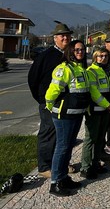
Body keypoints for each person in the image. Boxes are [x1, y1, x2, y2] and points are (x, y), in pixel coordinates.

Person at [28, 21, 73, 179]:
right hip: (49, 103)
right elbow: (33, 79)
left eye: (67, 35)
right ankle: (44, 166)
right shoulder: (45, 56)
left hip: (66, 103)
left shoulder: (70, 55)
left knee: (62, 135)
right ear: (55, 38)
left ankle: (59, 163)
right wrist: (42, 99)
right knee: (48, 133)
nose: (65, 38)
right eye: (62, 36)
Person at [45, 40, 90, 196]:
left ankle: (63, 177)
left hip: (76, 114)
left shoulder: (81, 69)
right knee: (62, 147)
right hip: (64, 115)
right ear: (70, 51)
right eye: (77, 50)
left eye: (82, 50)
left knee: (68, 146)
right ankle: (55, 183)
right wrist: (50, 106)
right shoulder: (64, 69)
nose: (80, 52)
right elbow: (52, 91)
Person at [80, 48, 110, 180]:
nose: (103, 58)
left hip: (107, 111)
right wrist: (108, 105)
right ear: (95, 57)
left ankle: (95, 164)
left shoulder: (109, 71)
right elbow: (94, 92)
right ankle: (85, 167)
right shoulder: (91, 71)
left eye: (106, 56)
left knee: (100, 139)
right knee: (90, 138)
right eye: (100, 56)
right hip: (95, 110)